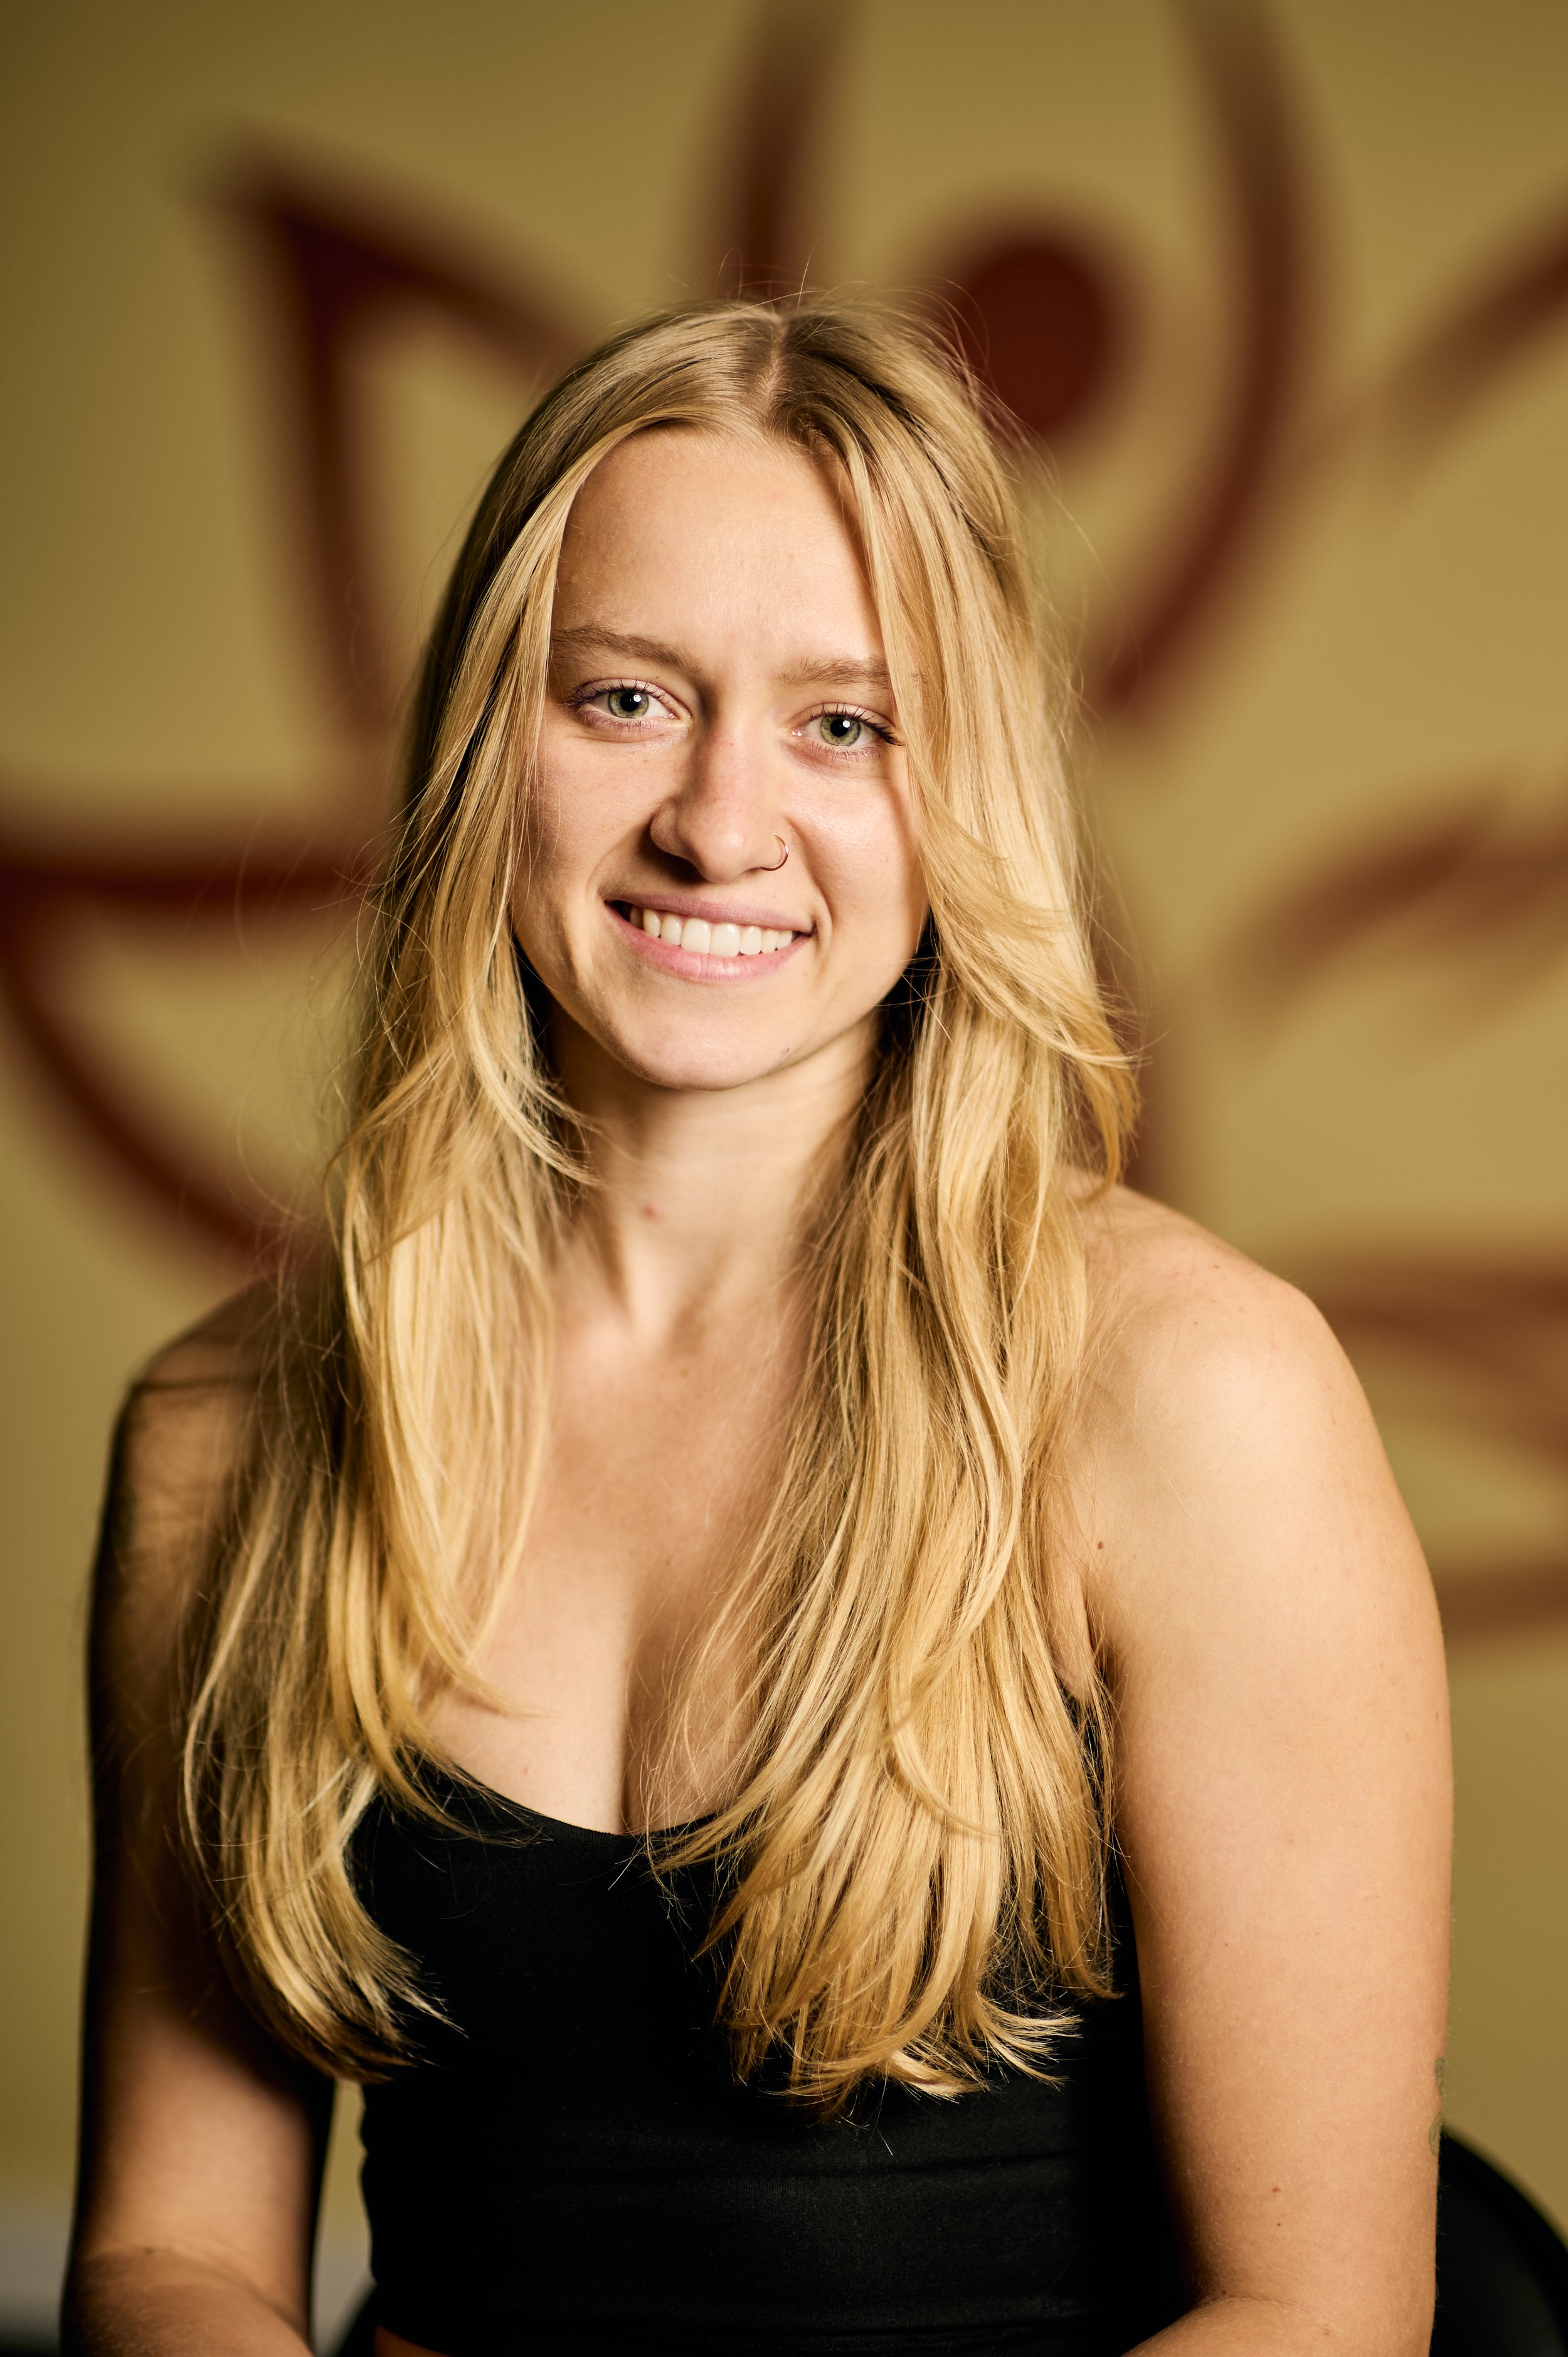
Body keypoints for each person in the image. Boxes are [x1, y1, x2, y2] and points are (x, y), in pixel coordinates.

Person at [63, 300, 1451, 2357]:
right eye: (625, 698)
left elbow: (1316, 2318)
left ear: (957, 798)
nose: (721, 822)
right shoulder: (226, 1437)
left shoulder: (1194, 1399)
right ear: (481, 745)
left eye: (844, 725)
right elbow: (170, 2256)